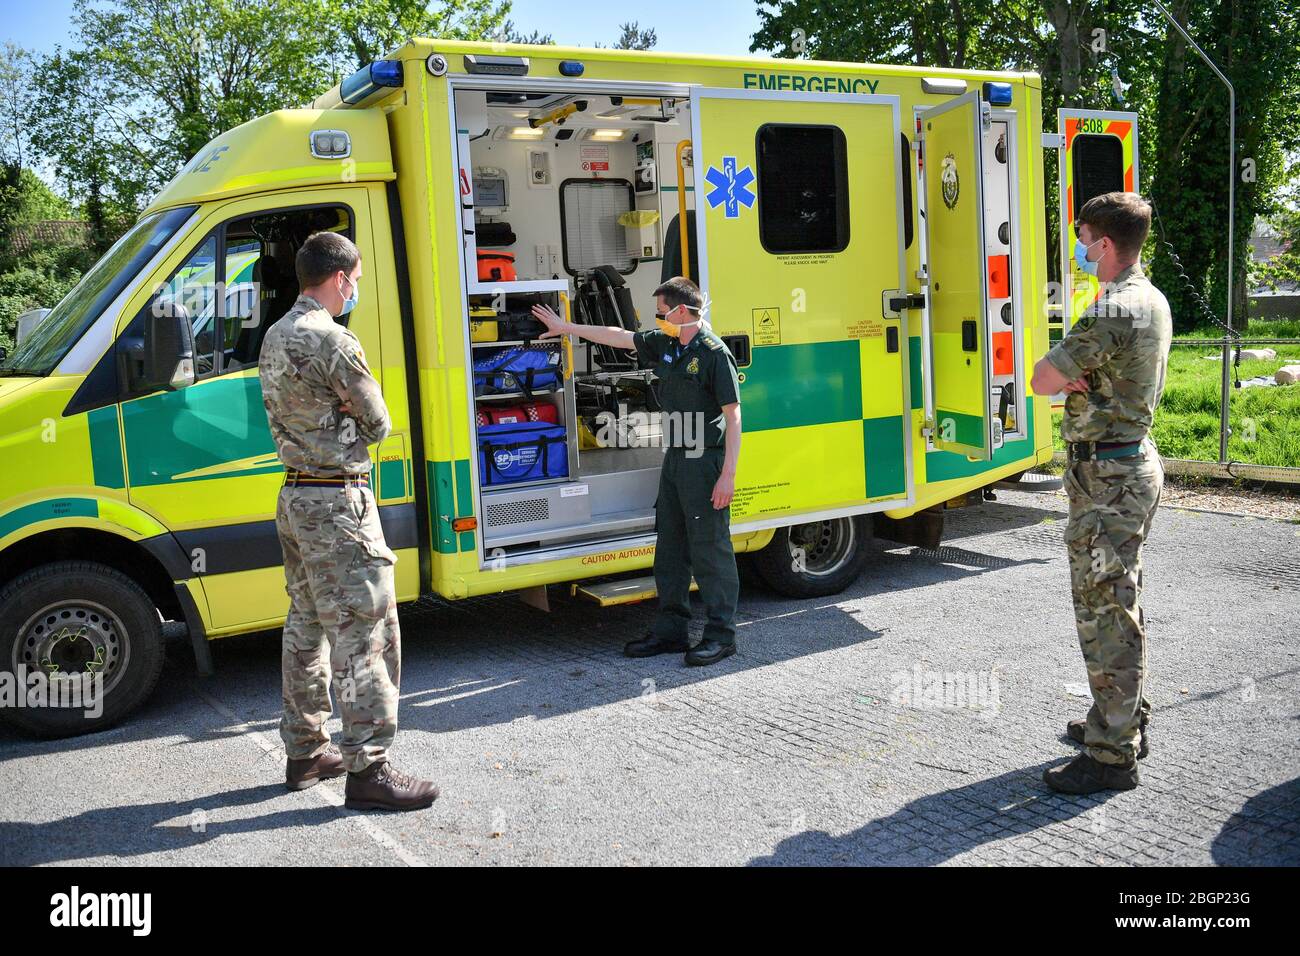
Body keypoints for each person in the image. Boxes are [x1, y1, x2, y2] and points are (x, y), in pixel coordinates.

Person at [260, 230, 438, 811]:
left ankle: (305, 751)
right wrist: (352, 411)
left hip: (295, 499)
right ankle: (370, 770)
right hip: (340, 504)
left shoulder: (276, 335)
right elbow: (379, 422)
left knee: (306, 628)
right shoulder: (333, 340)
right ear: (339, 278)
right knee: (366, 635)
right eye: (356, 280)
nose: (355, 288)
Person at [1029, 192, 1172, 794]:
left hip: (1110, 480)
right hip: (1123, 467)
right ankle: (1119, 717)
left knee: (1103, 612)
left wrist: (1069, 375)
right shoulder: (1150, 297)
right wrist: (1073, 374)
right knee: (1118, 603)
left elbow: (1041, 380)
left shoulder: (1116, 307)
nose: (1081, 249)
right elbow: (1060, 376)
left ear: (1106, 243)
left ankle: (1112, 756)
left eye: (1084, 239)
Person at [531, 276, 743, 666]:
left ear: (681, 311)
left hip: (705, 461)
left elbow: (734, 417)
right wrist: (566, 328)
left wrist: (727, 475)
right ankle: (671, 632)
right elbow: (619, 336)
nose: (657, 319)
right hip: (677, 458)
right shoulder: (666, 343)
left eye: (661, 313)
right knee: (671, 550)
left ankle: (721, 636)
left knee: (710, 551)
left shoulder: (713, 353)